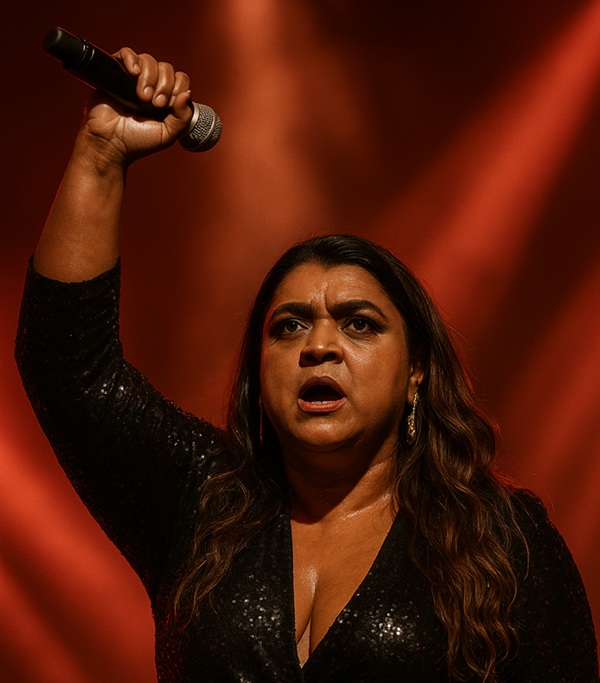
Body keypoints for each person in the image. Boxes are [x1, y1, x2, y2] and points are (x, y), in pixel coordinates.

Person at [15, 47, 598, 683]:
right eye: (288, 326)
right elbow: (66, 363)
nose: (318, 345)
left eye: (359, 324)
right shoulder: (202, 501)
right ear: (256, 375)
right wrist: (101, 154)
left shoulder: (503, 540)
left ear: (416, 372)